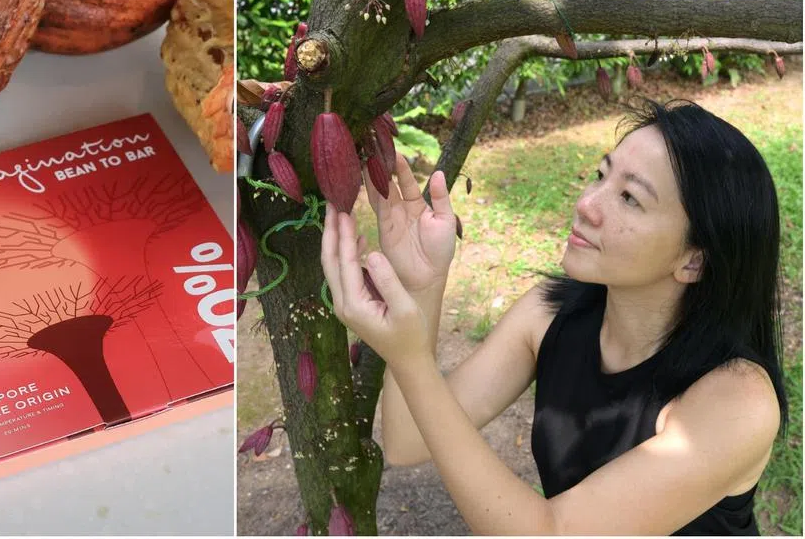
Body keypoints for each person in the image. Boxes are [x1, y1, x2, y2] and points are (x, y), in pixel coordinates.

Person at [322, 98, 788, 535]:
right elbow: (407, 441)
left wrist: (411, 360)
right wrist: (421, 286)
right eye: (601, 175)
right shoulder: (550, 314)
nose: (586, 204)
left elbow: (552, 531)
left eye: (629, 198)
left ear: (693, 261)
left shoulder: (738, 401)